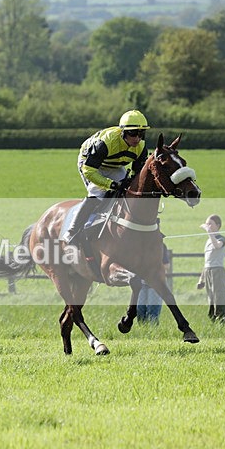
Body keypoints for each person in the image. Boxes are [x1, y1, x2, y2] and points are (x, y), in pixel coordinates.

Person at [62, 110, 150, 244]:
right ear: (123, 132)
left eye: (141, 134)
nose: (137, 138)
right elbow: (89, 171)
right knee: (97, 194)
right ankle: (72, 232)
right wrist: (110, 184)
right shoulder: (105, 143)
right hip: (90, 164)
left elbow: (137, 173)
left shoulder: (141, 147)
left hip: (115, 166)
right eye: (133, 133)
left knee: (126, 191)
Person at [197, 214, 225, 323]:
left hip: (217, 272)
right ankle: (214, 323)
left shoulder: (220, 238)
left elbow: (217, 246)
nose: (208, 226)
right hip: (208, 272)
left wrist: (209, 232)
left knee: (219, 299)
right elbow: (207, 262)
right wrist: (201, 279)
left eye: (210, 224)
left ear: (218, 225)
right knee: (211, 300)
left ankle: (223, 323)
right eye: (207, 224)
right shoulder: (208, 241)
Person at [137, 243, 171, 324]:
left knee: (153, 309)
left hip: (156, 283)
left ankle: (153, 331)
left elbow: (167, 265)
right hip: (142, 283)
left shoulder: (161, 246)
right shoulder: (139, 246)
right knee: (139, 309)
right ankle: (142, 329)